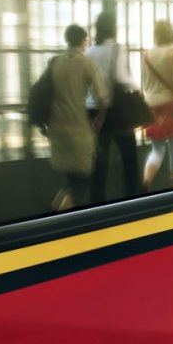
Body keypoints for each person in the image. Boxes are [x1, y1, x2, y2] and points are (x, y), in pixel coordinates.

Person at [47, 23, 108, 211]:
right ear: (82, 41)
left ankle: (62, 211)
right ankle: (58, 214)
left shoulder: (55, 63)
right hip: (78, 130)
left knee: (70, 178)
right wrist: (99, 118)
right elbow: (102, 97)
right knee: (82, 180)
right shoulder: (86, 63)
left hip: (57, 130)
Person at [86, 12, 138, 203]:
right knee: (129, 159)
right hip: (116, 112)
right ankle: (133, 201)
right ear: (113, 27)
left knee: (99, 163)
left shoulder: (89, 51)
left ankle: (97, 206)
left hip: (92, 110)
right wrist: (138, 88)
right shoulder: (117, 49)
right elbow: (121, 78)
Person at [141, 20, 173, 192]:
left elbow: (145, 84)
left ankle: (146, 182)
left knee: (157, 149)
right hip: (170, 103)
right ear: (171, 33)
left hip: (151, 105)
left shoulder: (146, 55)